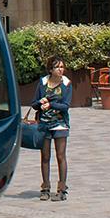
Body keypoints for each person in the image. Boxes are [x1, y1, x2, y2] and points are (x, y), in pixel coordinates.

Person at [32, 56, 72, 201]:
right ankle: (45, 188)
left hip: (60, 124)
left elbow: (66, 105)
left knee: (60, 156)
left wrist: (51, 105)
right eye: (57, 67)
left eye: (62, 66)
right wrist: (40, 102)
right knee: (45, 157)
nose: (60, 69)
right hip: (44, 124)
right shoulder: (42, 83)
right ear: (50, 69)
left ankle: (62, 189)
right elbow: (33, 104)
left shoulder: (66, 84)